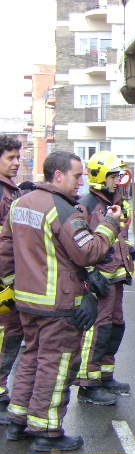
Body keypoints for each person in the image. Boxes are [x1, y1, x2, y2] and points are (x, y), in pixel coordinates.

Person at [0, 150, 121, 452]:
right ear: (58, 175)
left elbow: (5, 253)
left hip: (27, 302)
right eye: (76, 175)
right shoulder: (62, 210)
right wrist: (109, 225)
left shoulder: (18, 204)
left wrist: (9, 288)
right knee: (57, 364)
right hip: (58, 304)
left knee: (32, 358)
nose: (80, 182)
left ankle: (18, 420)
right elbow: (88, 252)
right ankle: (48, 429)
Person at [75, 151, 135, 406]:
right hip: (100, 280)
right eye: (112, 176)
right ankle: (88, 384)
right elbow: (80, 245)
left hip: (116, 277)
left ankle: (105, 375)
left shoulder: (115, 203)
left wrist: (127, 250)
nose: (117, 180)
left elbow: (117, 237)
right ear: (100, 177)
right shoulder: (86, 205)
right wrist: (89, 275)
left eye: (118, 175)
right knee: (97, 330)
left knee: (115, 327)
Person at [0, 134, 23, 425]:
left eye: (18, 157)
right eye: (10, 158)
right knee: (5, 336)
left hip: (10, 279)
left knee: (11, 335)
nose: (17, 163)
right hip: (3, 281)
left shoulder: (11, 191)